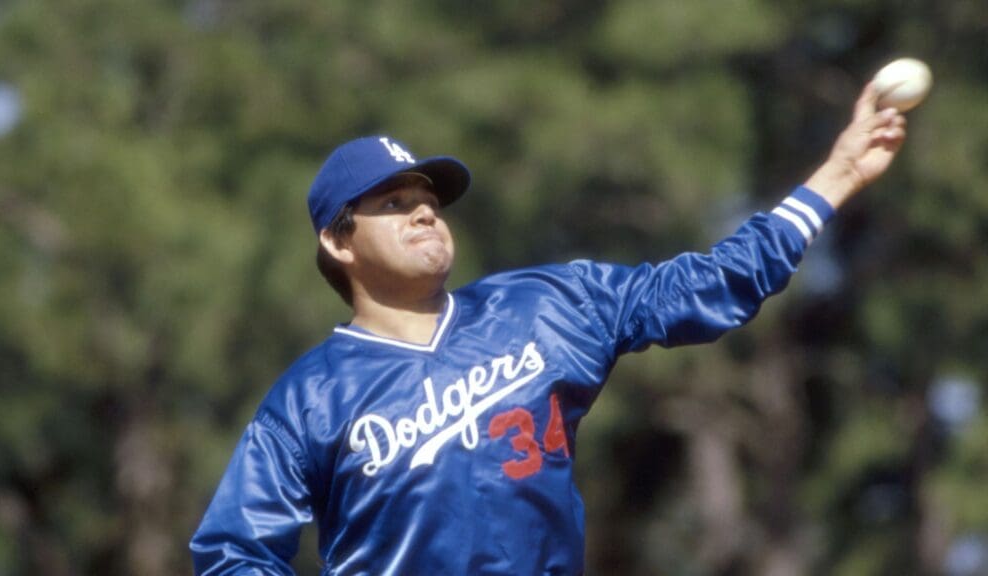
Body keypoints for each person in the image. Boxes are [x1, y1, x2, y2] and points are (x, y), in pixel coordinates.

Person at [190, 84, 906, 575]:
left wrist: (836, 176)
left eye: (429, 199)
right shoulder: (308, 400)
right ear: (339, 244)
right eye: (393, 202)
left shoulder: (543, 309)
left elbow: (708, 284)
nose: (425, 212)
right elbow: (232, 552)